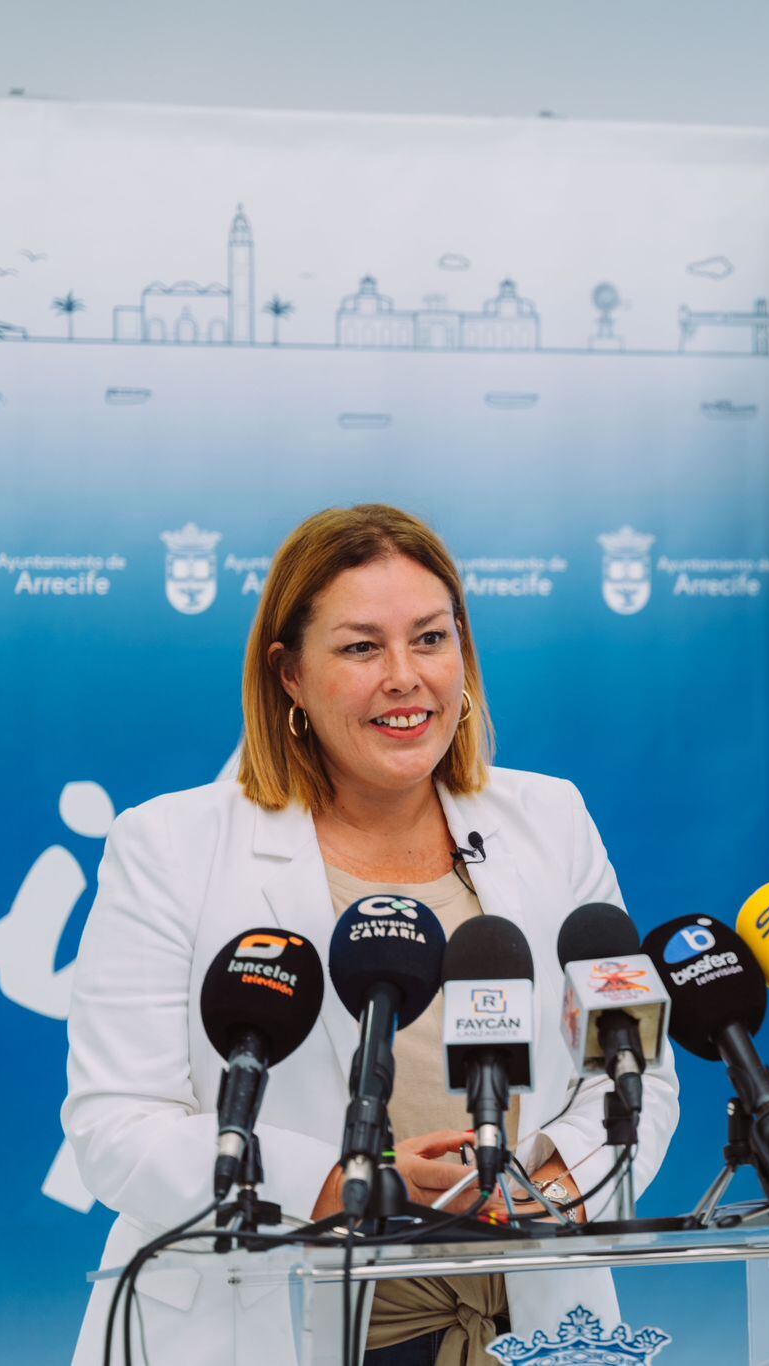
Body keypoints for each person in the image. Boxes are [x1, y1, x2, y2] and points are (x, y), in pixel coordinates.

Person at [63, 504, 678, 1366]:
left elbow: (634, 1065)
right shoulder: (171, 846)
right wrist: (341, 1185)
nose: (405, 676)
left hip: (525, 1328)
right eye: (361, 648)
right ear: (289, 674)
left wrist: (562, 1184)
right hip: (269, 1327)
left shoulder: (552, 819)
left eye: (430, 639)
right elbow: (116, 1127)